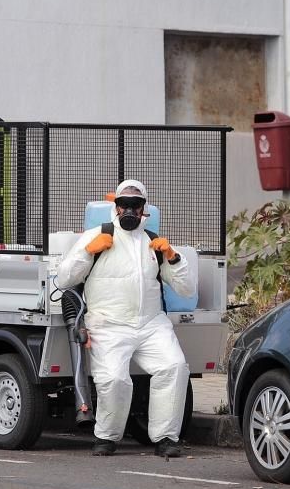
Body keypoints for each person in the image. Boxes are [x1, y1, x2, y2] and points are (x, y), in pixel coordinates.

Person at [56, 179, 195, 458]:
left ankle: (166, 438)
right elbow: (63, 278)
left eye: (135, 204)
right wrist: (88, 251)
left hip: (151, 323)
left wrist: (174, 258)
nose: (129, 209)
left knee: (174, 367)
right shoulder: (98, 235)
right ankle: (106, 437)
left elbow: (187, 288)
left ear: (144, 208)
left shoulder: (154, 243)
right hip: (108, 323)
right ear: (115, 206)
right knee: (114, 379)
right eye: (124, 204)